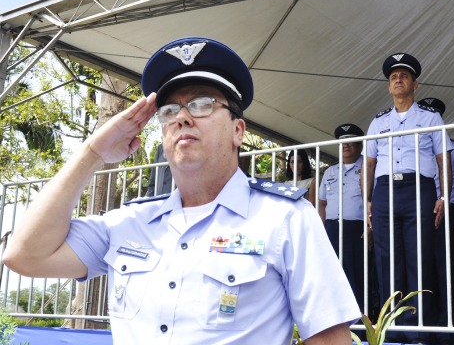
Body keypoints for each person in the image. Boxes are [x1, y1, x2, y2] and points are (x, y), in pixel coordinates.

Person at [2, 37, 360, 344]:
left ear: (238, 131)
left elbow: (328, 337)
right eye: (169, 109)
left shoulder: (286, 218)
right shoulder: (129, 222)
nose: (182, 117)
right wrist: (92, 152)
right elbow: (24, 255)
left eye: (203, 104)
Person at [363, 52, 453, 344]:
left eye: (404, 75)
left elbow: (443, 159)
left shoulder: (430, 117)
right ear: (389, 87)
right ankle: (394, 327)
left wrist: (443, 194)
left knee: (419, 257)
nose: (398, 79)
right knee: (387, 259)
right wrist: (367, 201)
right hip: (386, 191)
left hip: (419, 188)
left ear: (415, 84)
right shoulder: (378, 122)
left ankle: (420, 329)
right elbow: (369, 165)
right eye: (393, 77)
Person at [417, 97, 454, 344]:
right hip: (418, 211)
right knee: (421, 268)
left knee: (445, 269)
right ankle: (424, 324)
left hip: (447, 210)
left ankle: (447, 325)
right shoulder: (414, 147)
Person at [318, 123, 367, 308]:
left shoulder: (368, 167)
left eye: (351, 141)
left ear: (360, 145)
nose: (346, 145)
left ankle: (361, 325)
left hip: (357, 229)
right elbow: (322, 203)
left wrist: (371, 227)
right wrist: (321, 229)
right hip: (332, 228)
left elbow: (377, 199)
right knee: (332, 276)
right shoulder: (330, 171)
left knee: (356, 276)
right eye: (342, 142)